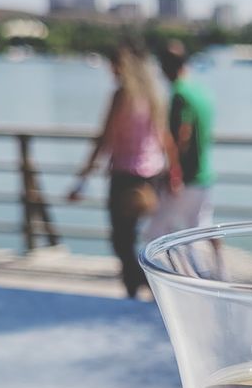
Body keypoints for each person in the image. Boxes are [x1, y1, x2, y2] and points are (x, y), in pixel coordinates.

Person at [67, 39, 180, 297]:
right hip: (153, 175)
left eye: (114, 64)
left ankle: (136, 286)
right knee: (151, 236)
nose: (111, 69)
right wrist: (174, 173)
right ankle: (152, 284)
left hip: (125, 176)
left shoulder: (122, 96)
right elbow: (166, 139)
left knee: (122, 239)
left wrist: (82, 179)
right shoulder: (154, 95)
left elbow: (104, 139)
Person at [148, 41, 215, 234]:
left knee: (156, 234)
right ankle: (214, 265)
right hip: (203, 176)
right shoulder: (201, 91)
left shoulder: (179, 94)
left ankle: (171, 265)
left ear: (165, 67)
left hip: (185, 179)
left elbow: (182, 135)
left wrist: (173, 172)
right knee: (199, 231)